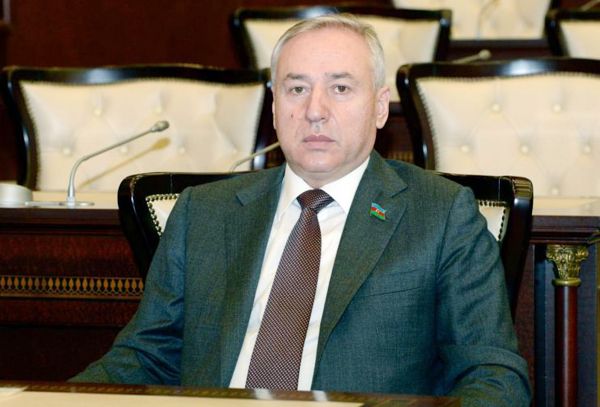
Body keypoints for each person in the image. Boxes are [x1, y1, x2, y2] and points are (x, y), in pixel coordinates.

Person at [71, 14, 531, 406]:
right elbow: (147, 356)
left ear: (379, 107)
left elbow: (493, 376)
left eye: (340, 88)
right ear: (274, 107)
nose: (315, 110)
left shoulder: (442, 214)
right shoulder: (203, 212)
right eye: (296, 89)